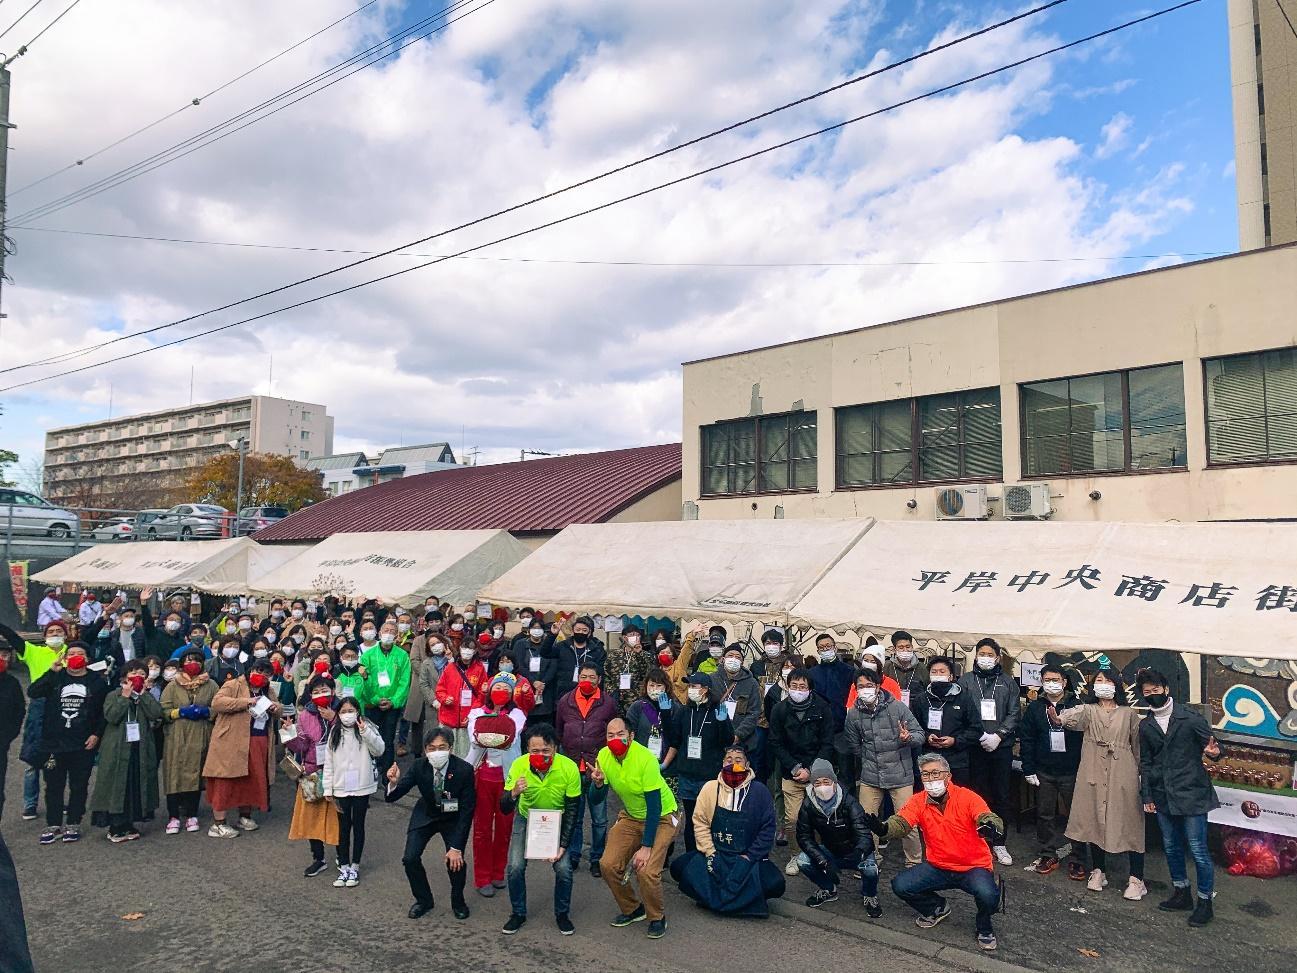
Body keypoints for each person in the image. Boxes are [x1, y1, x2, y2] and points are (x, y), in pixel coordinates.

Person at [868, 753, 1005, 953]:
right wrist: (884, 829)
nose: (931, 779)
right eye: (925, 775)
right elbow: (902, 822)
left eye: (935, 773)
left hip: (974, 866)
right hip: (938, 865)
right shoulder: (918, 800)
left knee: (989, 896)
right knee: (901, 885)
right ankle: (937, 908)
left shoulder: (967, 797)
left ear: (948, 776)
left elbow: (987, 816)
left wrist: (991, 826)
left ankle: (984, 926)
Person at [1137, 668, 1222, 926]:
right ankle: (1181, 891)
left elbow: (1214, 747)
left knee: (1197, 849)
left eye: (1156, 690)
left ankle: (1205, 901)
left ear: (1167, 689)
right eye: (1146, 692)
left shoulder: (1189, 717)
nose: (1152, 695)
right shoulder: (1146, 725)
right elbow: (1146, 763)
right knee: (1171, 846)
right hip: (1163, 795)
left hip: (1192, 793)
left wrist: (1213, 752)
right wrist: (1147, 795)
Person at [1058, 664, 1146, 900]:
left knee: (1129, 821)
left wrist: (1141, 776)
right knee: (1094, 819)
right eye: (1098, 681)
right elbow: (1066, 719)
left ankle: (1137, 877)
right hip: (1093, 768)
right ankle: (1098, 870)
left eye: (1107, 681)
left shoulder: (1129, 714)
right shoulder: (1088, 710)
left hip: (1122, 769)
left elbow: (1138, 746)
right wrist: (1058, 715)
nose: (1103, 685)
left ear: (1116, 685)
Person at [669, 744, 785, 916]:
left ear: (747, 764)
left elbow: (767, 830)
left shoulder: (760, 791)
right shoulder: (710, 788)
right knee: (678, 868)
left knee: (776, 884)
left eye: (739, 760)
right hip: (717, 854)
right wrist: (710, 853)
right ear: (722, 763)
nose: (733, 763)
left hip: (746, 858)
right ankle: (717, 897)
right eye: (729, 760)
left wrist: (749, 857)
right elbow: (700, 823)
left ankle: (726, 898)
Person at [590, 717, 680, 939]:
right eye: (610, 735)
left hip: (662, 816)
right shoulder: (604, 756)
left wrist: (646, 846)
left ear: (630, 736)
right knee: (608, 864)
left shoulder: (645, 758)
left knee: (646, 870)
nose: (615, 739)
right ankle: (633, 909)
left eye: (620, 734)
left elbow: (654, 805)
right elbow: (596, 799)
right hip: (631, 816)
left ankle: (657, 917)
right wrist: (598, 784)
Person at [500, 723, 582, 936]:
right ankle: (518, 913)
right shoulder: (518, 765)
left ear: (555, 748)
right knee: (515, 867)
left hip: (558, 820)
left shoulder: (569, 768)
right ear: (527, 749)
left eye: (546, 750)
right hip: (527, 818)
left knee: (564, 869)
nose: (541, 755)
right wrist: (514, 793)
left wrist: (563, 844)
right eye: (535, 751)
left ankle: (562, 914)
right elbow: (504, 807)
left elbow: (574, 809)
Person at [385, 727, 474, 919]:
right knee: (410, 858)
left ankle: (458, 901)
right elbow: (394, 796)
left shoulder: (464, 770)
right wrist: (393, 782)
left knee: (455, 861)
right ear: (425, 750)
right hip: (426, 814)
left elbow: (467, 810)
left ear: (451, 748)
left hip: (453, 816)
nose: (437, 752)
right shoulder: (419, 766)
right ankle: (423, 900)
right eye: (432, 748)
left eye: (442, 747)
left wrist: (457, 847)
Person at [28, 640, 109, 844]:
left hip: (82, 743)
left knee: (79, 784)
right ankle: (53, 823)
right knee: (53, 785)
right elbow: (33, 691)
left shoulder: (97, 682)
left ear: (87, 658)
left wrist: (97, 735)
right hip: (54, 742)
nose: (74, 656)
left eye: (79, 653)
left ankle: (74, 821)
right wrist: (52, 672)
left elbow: (103, 713)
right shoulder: (57, 678)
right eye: (70, 653)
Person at [845, 666, 925, 868]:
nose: (865, 690)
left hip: (900, 775)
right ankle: (870, 860)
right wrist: (869, 759)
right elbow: (854, 745)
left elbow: (919, 735)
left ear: (878, 686)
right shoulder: (853, 714)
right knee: (865, 822)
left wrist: (908, 738)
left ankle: (913, 863)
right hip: (871, 776)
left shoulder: (897, 707)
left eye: (869, 685)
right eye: (860, 686)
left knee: (908, 822)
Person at [958, 638, 1021, 866]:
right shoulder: (965, 680)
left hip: (1001, 747)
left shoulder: (1007, 682)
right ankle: (977, 839)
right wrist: (977, 734)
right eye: (981, 653)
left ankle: (999, 841)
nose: (985, 657)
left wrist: (999, 735)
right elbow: (960, 711)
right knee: (976, 794)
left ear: (997, 657)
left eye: (989, 654)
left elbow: (1014, 713)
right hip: (974, 747)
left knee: (1001, 795)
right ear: (976, 656)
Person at [1019, 664, 1085, 879]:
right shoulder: (1035, 707)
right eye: (1047, 680)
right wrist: (1028, 768)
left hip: (1072, 770)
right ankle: (1048, 853)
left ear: (1064, 682)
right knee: (1044, 814)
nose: (1051, 683)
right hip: (1044, 770)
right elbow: (1027, 739)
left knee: (1076, 816)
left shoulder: (1077, 705)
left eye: (1055, 679)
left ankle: (1078, 858)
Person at [465, 673, 527, 897]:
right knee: (481, 829)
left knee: (504, 827)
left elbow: (510, 734)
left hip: (507, 779)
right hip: (482, 776)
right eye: (497, 686)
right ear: (489, 690)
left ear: (512, 693)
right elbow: (476, 738)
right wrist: (493, 728)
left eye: (506, 688)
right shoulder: (476, 712)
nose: (502, 691)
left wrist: (490, 729)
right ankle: (482, 877)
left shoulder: (517, 714)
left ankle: (498, 872)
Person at [768, 667, 835, 874]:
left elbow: (827, 743)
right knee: (793, 819)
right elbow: (775, 742)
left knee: (820, 816)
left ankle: (816, 854)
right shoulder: (779, 709)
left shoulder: (822, 708)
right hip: (791, 772)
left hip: (817, 773)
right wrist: (795, 767)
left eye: (802, 686)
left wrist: (813, 770)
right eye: (794, 686)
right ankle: (795, 855)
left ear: (810, 688)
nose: (798, 689)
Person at [556, 661, 619, 876]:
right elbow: (559, 730)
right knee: (574, 815)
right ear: (578, 677)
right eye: (583, 676)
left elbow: (613, 732)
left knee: (599, 818)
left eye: (592, 677)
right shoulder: (565, 701)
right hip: (573, 767)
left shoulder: (608, 703)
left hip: (597, 769)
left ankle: (597, 857)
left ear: (599, 680)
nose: (587, 681)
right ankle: (573, 854)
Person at [202, 661, 280, 838]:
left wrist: (276, 708)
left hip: (258, 739)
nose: (263, 675)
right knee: (225, 780)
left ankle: (245, 815)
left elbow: (279, 708)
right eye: (258, 670)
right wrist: (247, 702)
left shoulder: (268, 690)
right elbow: (217, 703)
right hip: (231, 741)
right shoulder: (233, 684)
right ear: (250, 670)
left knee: (252, 780)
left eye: (267, 673)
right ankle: (218, 823)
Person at [795, 759, 880, 916]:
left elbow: (864, 835)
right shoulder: (808, 805)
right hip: (830, 851)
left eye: (826, 781)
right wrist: (823, 861)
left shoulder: (849, 802)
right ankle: (829, 889)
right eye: (817, 783)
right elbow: (804, 837)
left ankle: (869, 895)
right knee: (802, 860)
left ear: (834, 782)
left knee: (870, 868)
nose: (822, 787)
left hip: (854, 851)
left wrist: (859, 853)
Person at [90, 659, 163, 841]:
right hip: (117, 747)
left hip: (140, 746)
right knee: (115, 784)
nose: (137, 677)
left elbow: (156, 713)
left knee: (136, 783)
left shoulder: (145, 696)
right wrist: (125, 697)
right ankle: (115, 825)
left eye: (142, 674)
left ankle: (130, 822)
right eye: (133, 673)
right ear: (124, 676)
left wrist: (143, 695)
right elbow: (112, 716)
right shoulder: (114, 694)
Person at [663, 671, 731, 854]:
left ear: (706, 689)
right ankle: (692, 858)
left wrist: (723, 723)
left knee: (709, 819)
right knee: (692, 821)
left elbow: (727, 741)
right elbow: (674, 739)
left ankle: (711, 854)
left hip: (709, 776)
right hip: (687, 775)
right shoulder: (685, 711)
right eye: (690, 686)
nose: (691, 690)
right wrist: (665, 715)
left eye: (694, 686)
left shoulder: (717, 710)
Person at [323, 695, 385, 888]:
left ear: (358, 711)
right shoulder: (335, 732)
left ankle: (355, 866)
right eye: (343, 712)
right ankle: (343, 866)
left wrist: (365, 731)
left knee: (358, 826)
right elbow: (329, 762)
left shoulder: (366, 728)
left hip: (361, 786)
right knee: (343, 827)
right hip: (341, 787)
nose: (347, 715)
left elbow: (379, 749)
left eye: (351, 711)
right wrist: (328, 787)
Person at [158, 648, 217, 835]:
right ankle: (173, 816)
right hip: (177, 735)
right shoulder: (173, 685)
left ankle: (192, 814)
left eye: (198, 660)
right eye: (190, 660)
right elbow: (163, 710)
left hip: (200, 733)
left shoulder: (211, 684)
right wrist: (179, 712)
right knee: (173, 774)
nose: (194, 664)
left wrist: (206, 711)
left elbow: (218, 706)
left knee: (195, 774)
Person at [285, 677, 339, 875]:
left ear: (332, 692)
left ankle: (343, 858)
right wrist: (289, 735)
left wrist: (334, 717)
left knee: (339, 816)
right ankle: (319, 858)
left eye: (324, 689)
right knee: (311, 817)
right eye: (315, 691)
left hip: (338, 771)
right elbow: (302, 746)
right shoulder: (305, 715)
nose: (320, 694)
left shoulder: (344, 710)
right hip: (312, 771)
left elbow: (350, 735)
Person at [910, 657, 983, 787]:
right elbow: (915, 727)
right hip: (929, 759)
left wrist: (955, 741)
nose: (938, 675)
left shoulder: (964, 698)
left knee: (957, 800)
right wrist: (927, 737)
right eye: (934, 672)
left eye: (942, 672)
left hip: (957, 761)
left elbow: (976, 729)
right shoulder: (921, 700)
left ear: (950, 676)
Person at [359, 620, 410, 779]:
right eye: (385, 630)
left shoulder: (402, 656)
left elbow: (404, 681)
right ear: (380, 633)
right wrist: (374, 699)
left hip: (392, 706)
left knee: (388, 739)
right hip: (372, 705)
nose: (388, 633)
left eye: (392, 631)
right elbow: (364, 680)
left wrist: (394, 701)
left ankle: (387, 773)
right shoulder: (368, 655)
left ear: (396, 635)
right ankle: (370, 770)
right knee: (371, 738)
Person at [808, 633, 857, 782]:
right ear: (818, 651)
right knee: (821, 772)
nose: (825, 649)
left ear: (835, 647)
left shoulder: (849, 671)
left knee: (846, 773)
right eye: (821, 648)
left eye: (828, 646)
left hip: (842, 729)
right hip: (820, 731)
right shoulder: (812, 673)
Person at [436, 637, 488, 757]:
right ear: (459, 649)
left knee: (466, 755)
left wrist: (471, 714)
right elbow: (440, 689)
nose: (467, 651)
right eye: (464, 647)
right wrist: (445, 698)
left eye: (470, 648)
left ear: (475, 651)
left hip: (468, 721)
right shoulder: (450, 667)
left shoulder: (480, 669)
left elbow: (482, 695)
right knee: (445, 753)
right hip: (448, 718)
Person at [711, 644, 762, 753]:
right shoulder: (712, 679)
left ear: (742, 662)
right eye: (730, 655)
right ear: (723, 659)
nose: (733, 659)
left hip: (743, 743)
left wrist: (738, 735)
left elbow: (754, 713)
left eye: (738, 657)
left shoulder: (752, 683)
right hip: (715, 738)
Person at [625, 668, 678, 767]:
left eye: (659, 686)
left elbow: (675, 739)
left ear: (666, 687)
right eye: (652, 685)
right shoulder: (637, 706)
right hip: (641, 762)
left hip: (667, 763)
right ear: (646, 686)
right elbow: (630, 735)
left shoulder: (675, 707)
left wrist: (666, 713)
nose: (655, 689)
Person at [510, 616, 557, 728]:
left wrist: (543, 683)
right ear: (529, 629)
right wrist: (533, 681)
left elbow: (553, 666)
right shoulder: (520, 644)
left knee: (545, 727)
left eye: (539, 628)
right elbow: (518, 665)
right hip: (526, 688)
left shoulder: (549, 644)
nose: (536, 630)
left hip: (546, 690)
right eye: (534, 627)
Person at [0, 640, 26, 824]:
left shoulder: (12, 683)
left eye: (5, 655)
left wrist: (7, 737)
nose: (2, 658)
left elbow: (19, 712)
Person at [603, 625, 651, 715]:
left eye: (638, 635)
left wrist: (639, 654)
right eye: (632, 635)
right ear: (625, 638)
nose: (636, 638)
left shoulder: (646, 655)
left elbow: (648, 672)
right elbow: (606, 675)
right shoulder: (614, 655)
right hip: (617, 697)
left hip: (636, 698)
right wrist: (610, 691)